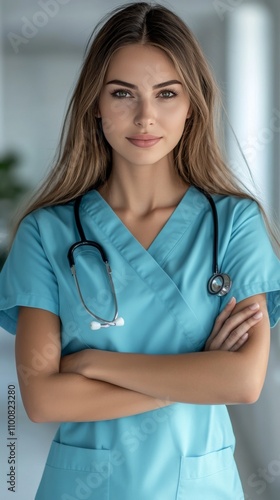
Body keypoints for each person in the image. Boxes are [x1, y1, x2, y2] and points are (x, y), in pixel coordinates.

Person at [0, 2, 280, 499]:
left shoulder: (235, 225)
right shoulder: (46, 234)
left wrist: (92, 365)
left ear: (192, 104)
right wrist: (197, 371)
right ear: (95, 104)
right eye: (123, 93)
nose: (146, 116)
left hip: (200, 488)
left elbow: (241, 383)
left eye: (166, 94)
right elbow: (42, 398)